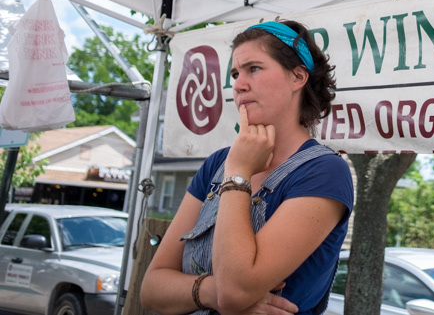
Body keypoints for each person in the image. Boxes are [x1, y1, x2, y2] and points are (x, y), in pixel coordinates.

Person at [141, 20, 354, 315]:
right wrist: (211, 292)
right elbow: (151, 289)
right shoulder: (218, 163)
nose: (239, 85)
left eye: (254, 68)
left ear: (297, 77)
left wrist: (238, 174)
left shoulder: (324, 172)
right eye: (235, 74)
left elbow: (235, 290)